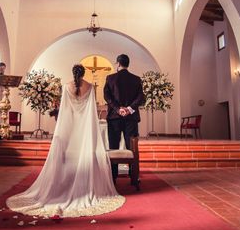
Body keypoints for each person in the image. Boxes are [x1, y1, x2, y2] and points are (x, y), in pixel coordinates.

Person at [7, 64, 124, 217]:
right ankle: (83, 185)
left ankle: (64, 184)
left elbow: (64, 110)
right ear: (83, 73)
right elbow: (90, 111)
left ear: (73, 72)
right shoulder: (90, 87)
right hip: (84, 127)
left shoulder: (66, 86)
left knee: (68, 155)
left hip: (70, 126)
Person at [104, 54, 145, 184]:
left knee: (114, 147)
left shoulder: (110, 78)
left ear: (118, 64)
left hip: (114, 118)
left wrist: (118, 109)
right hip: (131, 118)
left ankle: (113, 177)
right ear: (128, 64)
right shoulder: (136, 79)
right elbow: (141, 98)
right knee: (132, 147)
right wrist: (129, 109)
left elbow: (107, 97)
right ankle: (133, 177)